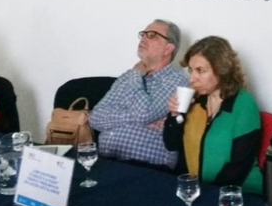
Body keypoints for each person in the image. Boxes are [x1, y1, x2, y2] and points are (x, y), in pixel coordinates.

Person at [163, 36, 262, 194]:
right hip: (202, 191)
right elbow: (171, 144)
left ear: (221, 70)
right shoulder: (195, 101)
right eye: (190, 70)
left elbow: (239, 164)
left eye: (200, 71)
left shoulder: (243, 103)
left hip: (239, 194)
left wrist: (207, 194)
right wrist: (175, 116)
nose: (191, 78)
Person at [90, 19, 188, 169]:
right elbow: (95, 118)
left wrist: (136, 75)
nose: (143, 38)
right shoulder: (128, 76)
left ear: (168, 48)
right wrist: (137, 118)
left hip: (145, 168)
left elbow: (144, 113)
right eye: (143, 34)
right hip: (105, 161)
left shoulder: (176, 80)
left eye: (152, 35)